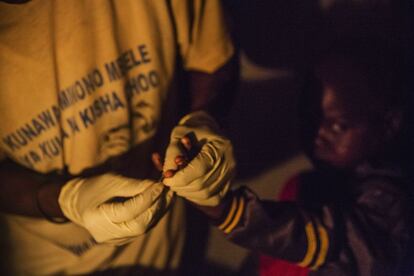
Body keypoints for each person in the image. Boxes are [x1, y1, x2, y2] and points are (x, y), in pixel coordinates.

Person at [0, 0, 236, 275]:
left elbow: (213, 58)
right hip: (45, 263)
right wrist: (65, 199)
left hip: (167, 251)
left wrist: (203, 121)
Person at [163, 38, 412, 275]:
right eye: (310, 118)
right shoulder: (304, 187)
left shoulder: (392, 203)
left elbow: (330, 240)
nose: (318, 134)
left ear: (390, 124)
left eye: (338, 125)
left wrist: (228, 210)